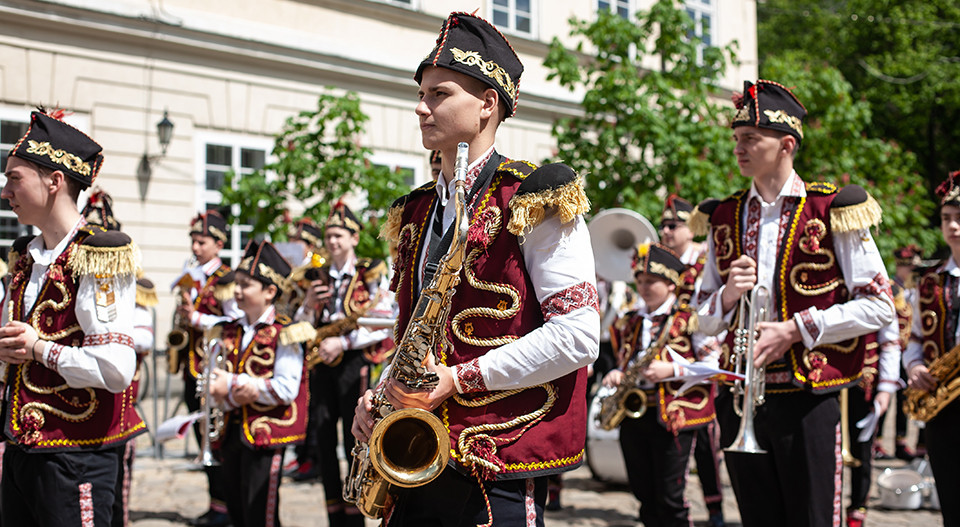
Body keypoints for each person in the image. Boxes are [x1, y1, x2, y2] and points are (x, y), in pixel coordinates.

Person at [353, 12, 599, 526]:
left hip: (499, 457)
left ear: (488, 103)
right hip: (418, 446)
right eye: (420, 93)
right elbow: (416, 331)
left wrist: (457, 379)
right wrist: (381, 393)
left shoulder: (536, 194)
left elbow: (579, 335)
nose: (420, 107)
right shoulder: (415, 209)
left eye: (439, 94)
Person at [691, 80, 895, 527]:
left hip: (808, 397)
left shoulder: (831, 208)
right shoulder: (722, 215)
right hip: (740, 397)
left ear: (786, 144)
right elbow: (701, 321)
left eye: (750, 139)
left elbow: (880, 305)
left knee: (813, 518)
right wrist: (727, 294)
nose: (738, 148)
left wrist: (795, 329)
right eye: (736, 139)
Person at [0, 108, 144, 525]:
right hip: (24, 449)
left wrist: (39, 349)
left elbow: (116, 370)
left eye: (14, 178)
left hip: (76, 454)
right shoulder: (26, 257)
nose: (6, 191)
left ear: (54, 180)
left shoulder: (97, 256)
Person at [604, 243, 719, 527]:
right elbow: (625, 360)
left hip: (673, 417)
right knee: (644, 494)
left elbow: (716, 365)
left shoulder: (689, 318)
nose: (643, 287)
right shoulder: (630, 321)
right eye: (640, 281)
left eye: (651, 281)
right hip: (635, 415)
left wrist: (673, 369)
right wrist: (618, 373)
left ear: (670, 285)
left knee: (671, 497)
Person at [297, 202, 392, 525]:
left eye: (339, 235)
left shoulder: (371, 271)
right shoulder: (315, 275)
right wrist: (309, 306)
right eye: (329, 235)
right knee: (323, 438)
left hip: (353, 361)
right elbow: (299, 324)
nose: (332, 241)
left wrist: (343, 341)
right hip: (322, 362)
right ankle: (334, 515)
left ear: (354, 237)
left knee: (356, 439)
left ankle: (357, 513)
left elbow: (383, 319)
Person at [207, 240, 308, 527]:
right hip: (231, 433)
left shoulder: (285, 333)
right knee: (236, 511)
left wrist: (235, 383)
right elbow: (216, 381)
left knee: (260, 513)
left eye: (245, 285)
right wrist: (225, 395)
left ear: (269, 292)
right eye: (237, 284)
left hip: (265, 436)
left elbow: (287, 388)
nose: (236, 291)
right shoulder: (228, 329)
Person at [81, 187, 157, 527]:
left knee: (115, 498)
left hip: (119, 399)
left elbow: (144, 336)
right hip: (76, 401)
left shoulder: (132, 281)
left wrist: (107, 335)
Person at [658, 194, 725, 527]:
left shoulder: (704, 259)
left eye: (674, 225)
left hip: (703, 352)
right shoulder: (662, 262)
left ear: (690, 228)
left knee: (707, 440)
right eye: (663, 225)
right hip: (670, 355)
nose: (666, 231)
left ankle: (715, 507)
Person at [174, 209, 241, 527]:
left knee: (216, 436)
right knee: (202, 435)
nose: (196, 247)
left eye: (201, 242)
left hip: (214, 368)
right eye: (194, 241)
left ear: (218, 243)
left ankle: (225, 505)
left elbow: (234, 320)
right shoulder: (192, 275)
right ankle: (215, 503)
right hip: (192, 365)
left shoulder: (226, 279)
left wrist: (197, 319)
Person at [903, 170, 960, 527]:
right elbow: (913, 340)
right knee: (952, 499)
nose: (952, 226)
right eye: (946, 219)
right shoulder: (930, 281)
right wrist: (912, 368)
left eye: (959, 218)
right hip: (944, 400)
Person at [844, 317, 899, 527]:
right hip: (829, 382)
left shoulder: (875, 288)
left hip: (864, 382)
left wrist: (886, 386)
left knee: (863, 451)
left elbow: (890, 341)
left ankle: (857, 509)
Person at [874, 245, 922, 461]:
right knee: (886, 394)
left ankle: (901, 441)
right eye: (908, 265)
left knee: (904, 398)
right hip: (893, 350)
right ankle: (878, 441)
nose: (911, 269)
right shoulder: (892, 288)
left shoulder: (915, 289)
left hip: (908, 352)